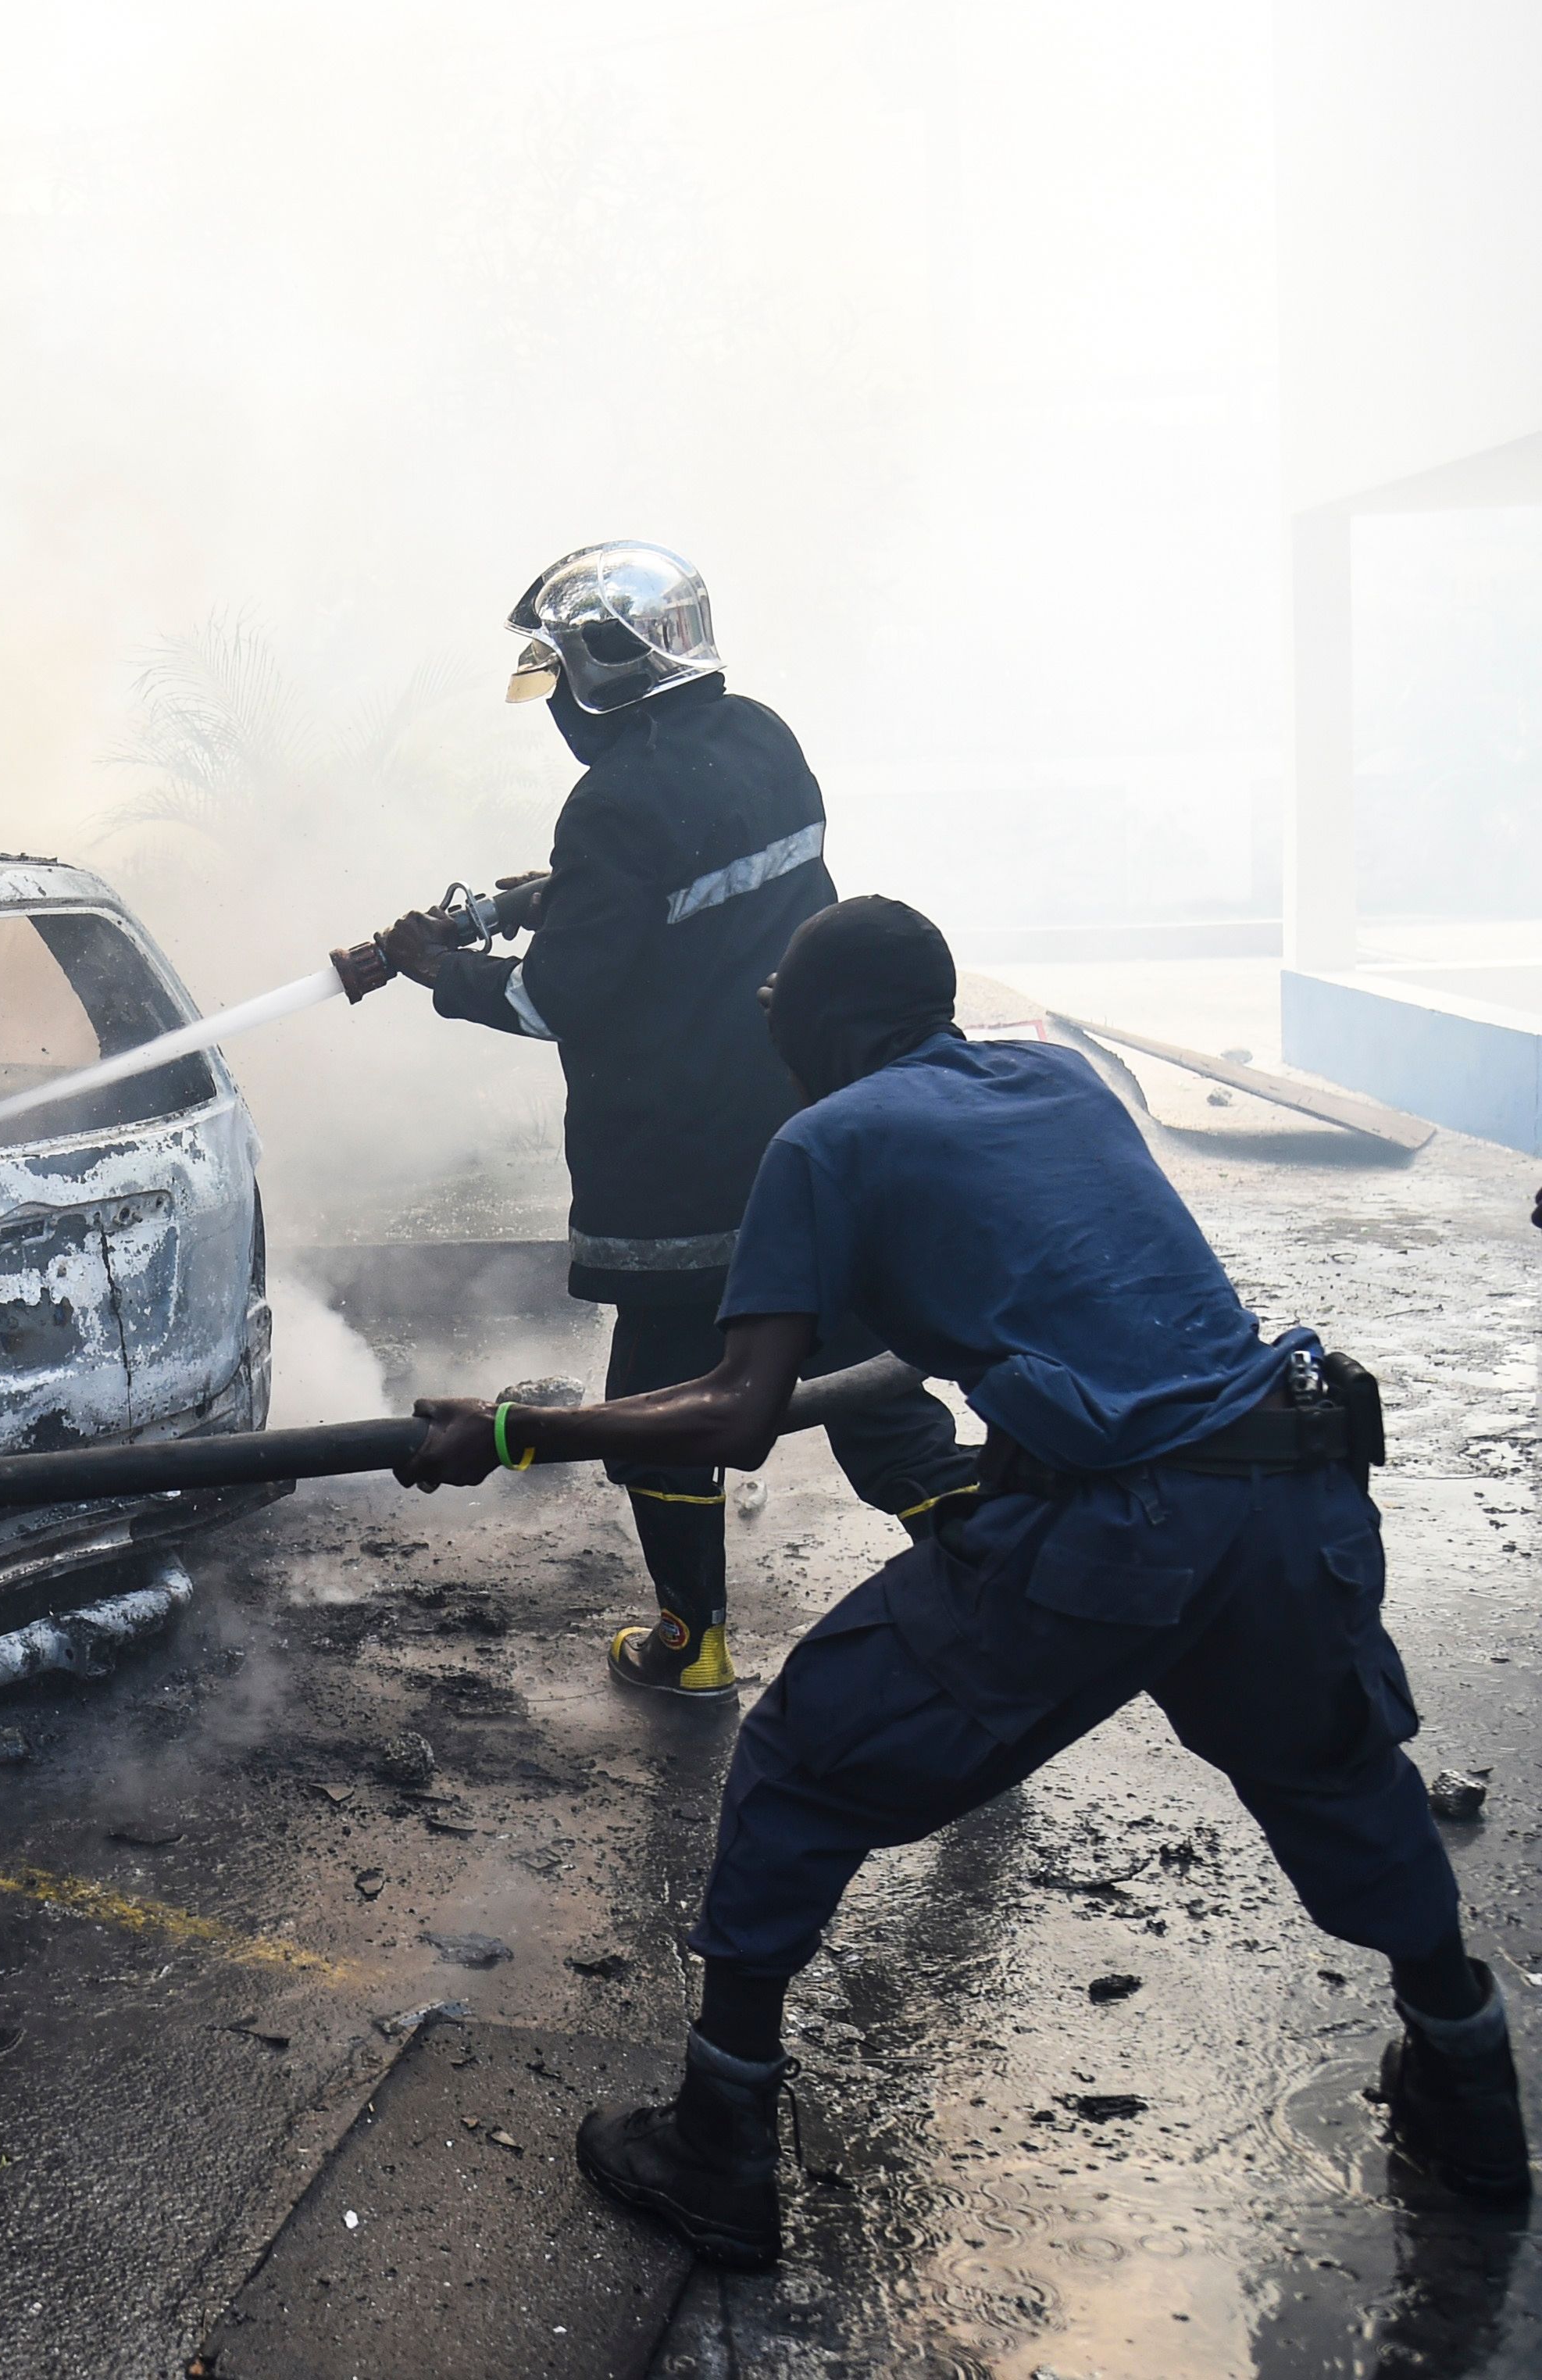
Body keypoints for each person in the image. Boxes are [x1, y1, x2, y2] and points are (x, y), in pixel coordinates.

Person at [391, 894, 1529, 2265]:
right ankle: (1470, 2095)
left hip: (1123, 1521)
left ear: (833, 1021)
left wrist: (517, 1430)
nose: (771, 1032)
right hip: (1290, 1489)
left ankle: (719, 2144)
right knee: (1341, 1781)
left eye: (782, 1010)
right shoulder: (1058, 1077)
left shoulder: (824, 1139)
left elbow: (736, 1411)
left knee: (801, 1762)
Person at [379, 543, 973, 1699]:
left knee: (657, 1402)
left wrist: (432, 968)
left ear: (605, 670)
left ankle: (690, 1642)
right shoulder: (763, 737)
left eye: (558, 684)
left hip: (673, 1164)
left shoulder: (612, 802)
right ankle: (1001, 1596)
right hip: (809, 1128)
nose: (556, 714)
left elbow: (552, 998)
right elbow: (699, 888)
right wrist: (555, 894)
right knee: (873, 1390)